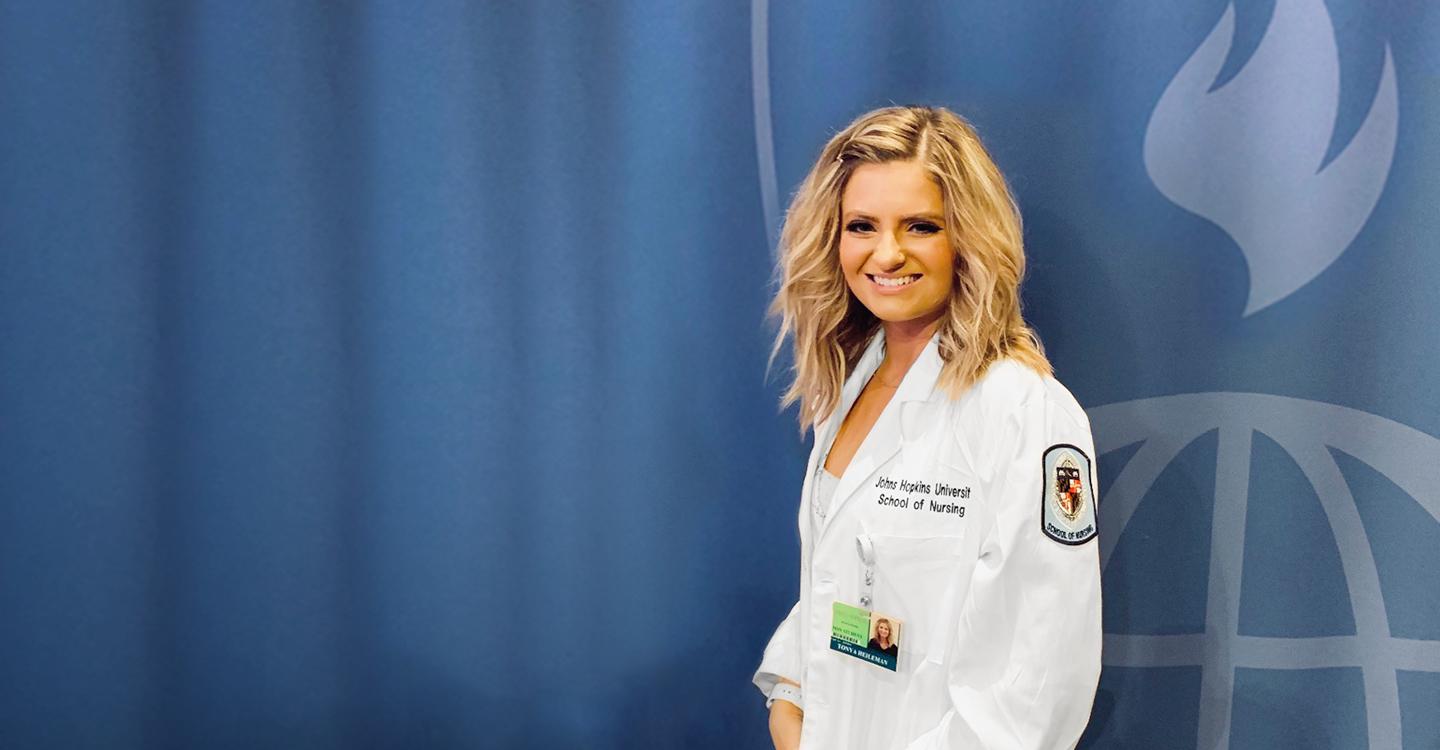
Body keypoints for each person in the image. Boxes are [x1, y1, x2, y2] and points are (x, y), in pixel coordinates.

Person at [753, 106, 1101, 750]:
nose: (887, 253)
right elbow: (838, 582)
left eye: (920, 226)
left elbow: (1033, 693)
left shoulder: (1023, 410)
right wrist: (791, 693)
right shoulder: (848, 388)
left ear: (967, 237)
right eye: (862, 226)